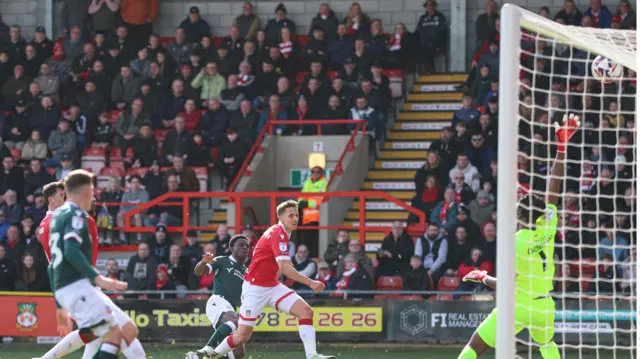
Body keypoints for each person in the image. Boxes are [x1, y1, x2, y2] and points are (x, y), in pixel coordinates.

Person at [456, 114, 580, 359]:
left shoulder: (514, 242)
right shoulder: (548, 225)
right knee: (547, 345)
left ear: (520, 216)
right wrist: (561, 150)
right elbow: (553, 189)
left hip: (518, 305)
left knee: (473, 347)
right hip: (544, 305)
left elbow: (506, 286)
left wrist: (483, 277)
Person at [209, 200, 334, 359]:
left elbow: (278, 265)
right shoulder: (278, 233)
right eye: (291, 215)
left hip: (272, 286)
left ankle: (312, 356)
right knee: (242, 336)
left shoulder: (283, 232)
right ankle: (210, 355)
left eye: (296, 215)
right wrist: (311, 282)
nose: (295, 218)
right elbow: (284, 267)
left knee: (306, 312)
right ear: (281, 218)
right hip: (255, 288)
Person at [45, 170, 130, 358]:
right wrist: (98, 278)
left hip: (64, 287)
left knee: (104, 332)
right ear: (85, 192)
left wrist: (60, 305)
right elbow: (70, 251)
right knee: (120, 331)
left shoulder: (56, 218)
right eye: (91, 191)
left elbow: (52, 265)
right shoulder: (76, 215)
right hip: (78, 285)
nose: (93, 196)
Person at [186, 235, 250, 359]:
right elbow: (199, 272)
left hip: (230, 308)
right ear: (232, 248)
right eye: (241, 245)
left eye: (247, 246)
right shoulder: (222, 260)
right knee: (235, 321)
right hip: (218, 301)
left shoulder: (247, 271)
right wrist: (203, 262)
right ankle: (208, 347)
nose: (245, 248)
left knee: (238, 353)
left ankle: (197, 357)